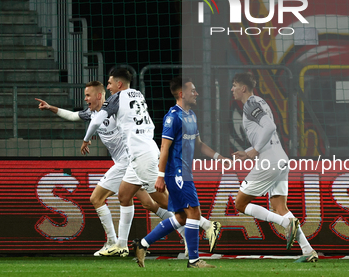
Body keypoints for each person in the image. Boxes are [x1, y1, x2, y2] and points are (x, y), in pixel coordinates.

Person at [81, 69, 219, 257]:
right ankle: (121, 245)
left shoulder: (116, 98)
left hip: (141, 156)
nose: (109, 87)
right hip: (140, 153)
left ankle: (206, 225)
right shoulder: (138, 94)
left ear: (119, 84)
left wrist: (86, 139)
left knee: (165, 201)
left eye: (110, 83)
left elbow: (96, 120)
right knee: (124, 195)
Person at [36, 81, 176, 257]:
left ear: (99, 96)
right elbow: (72, 116)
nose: (85, 98)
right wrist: (50, 108)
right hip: (130, 162)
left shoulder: (115, 110)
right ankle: (188, 232)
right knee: (148, 203)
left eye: (88, 95)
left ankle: (113, 242)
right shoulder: (91, 112)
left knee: (97, 198)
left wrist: (86, 139)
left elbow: (112, 121)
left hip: (127, 161)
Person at [133, 77, 224, 268]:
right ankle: (194, 260)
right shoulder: (172, 117)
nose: (197, 93)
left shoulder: (191, 115)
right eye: (193, 90)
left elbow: (198, 144)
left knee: (182, 217)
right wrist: (160, 175)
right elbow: (164, 148)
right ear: (182, 93)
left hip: (185, 172)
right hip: (177, 173)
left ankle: (142, 244)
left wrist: (217, 157)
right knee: (194, 213)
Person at [230, 72, 318, 263]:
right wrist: (249, 151)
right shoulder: (260, 102)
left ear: (243, 88)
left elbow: (269, 127)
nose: (232, 89)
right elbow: (265, 130)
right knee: (279, 206)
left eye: (234, 85)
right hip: (280, 158)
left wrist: (254, 150)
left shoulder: (250, 104)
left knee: (240, 204)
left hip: (268, 160)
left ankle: (286, 223)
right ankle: (307, 250)